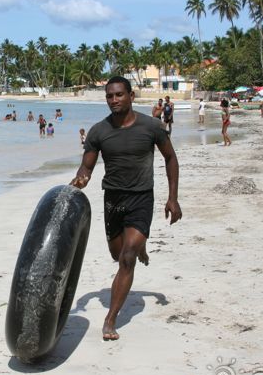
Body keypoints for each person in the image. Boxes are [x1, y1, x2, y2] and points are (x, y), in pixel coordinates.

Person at [70, 76, 181, 341]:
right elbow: (86, 167)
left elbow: (170, 157)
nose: (114, 100)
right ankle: (138, 244)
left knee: (127, 258)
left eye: (119, 95)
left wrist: (173, 197)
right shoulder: (99, 131)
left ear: (131, 96)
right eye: (109, 96)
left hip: (141, 197)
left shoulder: (151, 126)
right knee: (116, 254)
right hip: (113, 199)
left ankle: (111, 319)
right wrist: (79, 182)